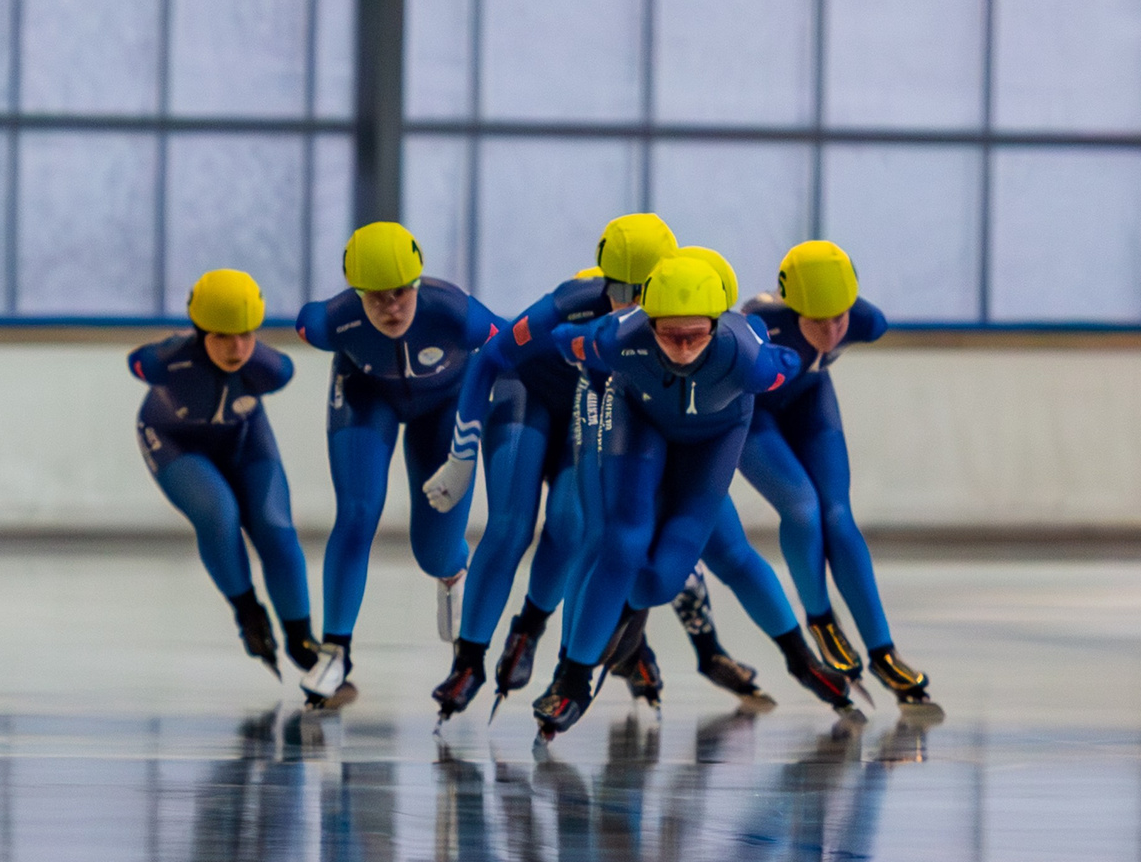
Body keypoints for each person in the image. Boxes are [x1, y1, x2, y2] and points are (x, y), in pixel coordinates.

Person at [530, 254, 849, 739]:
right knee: (617, 543)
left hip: (710, 445)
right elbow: (559, 340)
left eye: (695, 335)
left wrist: (771, 341)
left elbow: (790, 364)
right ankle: (571, 678)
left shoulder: (750, 359)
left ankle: (800, 659)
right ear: (649, 318)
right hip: (640, 430)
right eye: (668, 334)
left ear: (718, 324)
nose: (681, 348)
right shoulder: (621, 336)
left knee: (670, 577)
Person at [419, 214, 678, 719]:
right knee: (511, 527)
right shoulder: (572, 303)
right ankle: (469, 659)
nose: (631, 304)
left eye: (644, 291)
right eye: (618, 289)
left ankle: (530, 625)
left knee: (569, 525)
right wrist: (461, 455)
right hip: (529, 396)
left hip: (592, 408)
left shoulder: (678, 323)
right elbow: (489, 359)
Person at [294, 222, 502, 705]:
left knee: (433, 551)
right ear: (355, 292)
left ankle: (452, 571)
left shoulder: (457, 314)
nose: (391, 308)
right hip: (369, 398)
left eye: (401, 295)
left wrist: (465, 450)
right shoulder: (328, 323)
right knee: (357, 513)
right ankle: (337, 650)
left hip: (448, 404)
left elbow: (511, 354)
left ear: (418, 284)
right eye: (376, 298)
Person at [740, 240, 930, 704]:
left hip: (809, 402)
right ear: (793, 309)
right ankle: (820, 619)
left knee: (839, 519)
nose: (829, 331)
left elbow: (857, 323)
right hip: (751, 417)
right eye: (816, 321)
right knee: (803, 509)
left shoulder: (865, 321)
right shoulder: (758, 324)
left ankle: (883, 651)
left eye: (838, 320)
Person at [129, 269, 318, 676]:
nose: (237, 348)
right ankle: (248, 612)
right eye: (222, 336)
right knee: (219, 513)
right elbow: (138, 361)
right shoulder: (167, 362)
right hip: (175, 441)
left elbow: (280, 367)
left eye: (247, 334)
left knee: (276, 528)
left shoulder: (272, 369)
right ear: (199, 332)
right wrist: (169, 348)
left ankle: (302, 639)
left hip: (244, 439)